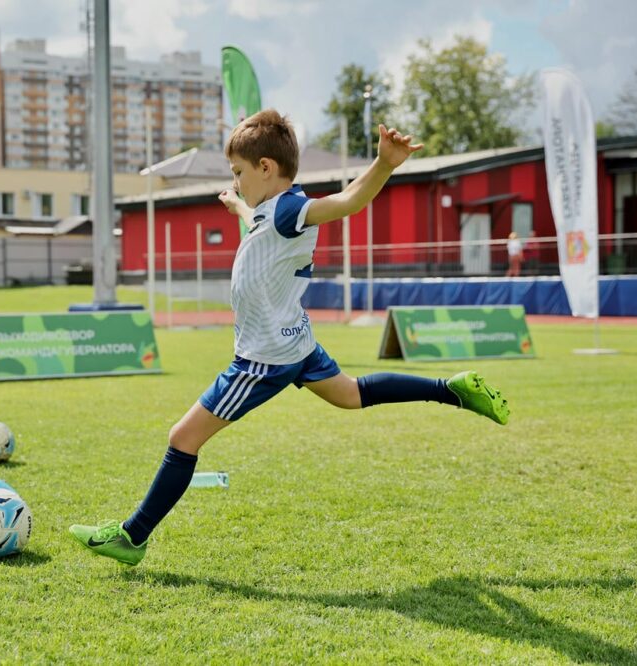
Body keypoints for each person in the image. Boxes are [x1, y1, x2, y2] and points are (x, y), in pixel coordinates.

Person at [69, 109, 510, 565]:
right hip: (297, 342)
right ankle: (451, 390)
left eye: (239, 172)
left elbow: (348, 203)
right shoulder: (269, 212)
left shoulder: (291, 208)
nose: (236, 181)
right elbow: (259, 229)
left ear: (266, 168)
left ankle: (132, 536)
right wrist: (236, 205)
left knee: (183, 438)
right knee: (351, 395)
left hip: (264, 357)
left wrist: (383, 164)